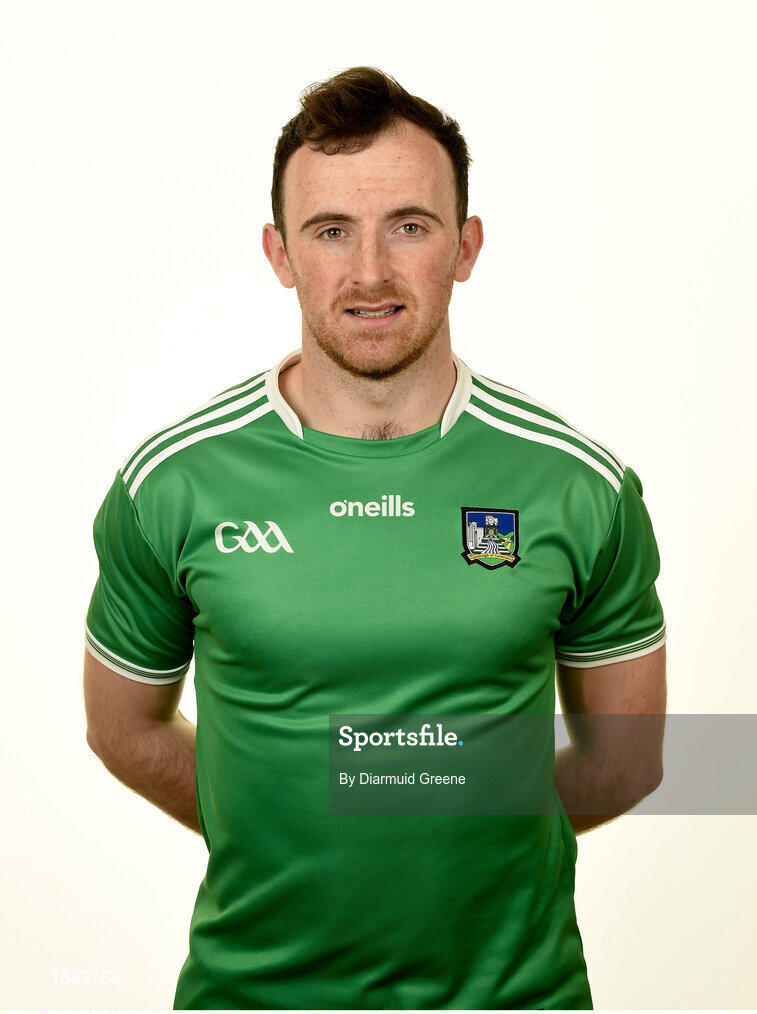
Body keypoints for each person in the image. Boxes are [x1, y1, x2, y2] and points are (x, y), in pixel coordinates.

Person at [83, 66, 667, 1010]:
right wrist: (277, 826)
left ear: (465, 246)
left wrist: (464, 827)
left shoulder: (578, 485)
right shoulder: (172, 484)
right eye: (329, 231)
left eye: (408, 225)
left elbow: (629, 758)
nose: (368, 274)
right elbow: (121, 727)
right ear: (279, 253)